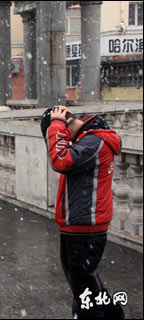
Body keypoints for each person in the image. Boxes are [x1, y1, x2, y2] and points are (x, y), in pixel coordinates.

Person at [41, 105, 124, 319]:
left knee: (83, 292)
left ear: (65, 125)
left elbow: (60, 161)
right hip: (79, 223)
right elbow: (60, 158)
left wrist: (56, 125)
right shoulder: (89, 140)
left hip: (85, 226)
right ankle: (114, 315)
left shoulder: (93, 142)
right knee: (87, 282)